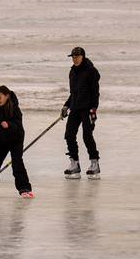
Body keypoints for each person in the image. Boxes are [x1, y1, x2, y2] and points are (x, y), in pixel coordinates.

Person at [61, 46, 101, 179]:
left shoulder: (91, 71)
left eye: (77, 56)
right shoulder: (72, 72)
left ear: (83, 56)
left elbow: (95, 92)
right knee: (69, 135)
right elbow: (73, 93)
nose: (75, 59)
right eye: (73, 57)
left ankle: (94, 163)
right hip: (75, 108)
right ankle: (75, 164)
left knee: (87, 135)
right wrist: (66, 106)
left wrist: (93, 109)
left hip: (87, 109)